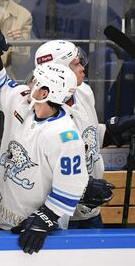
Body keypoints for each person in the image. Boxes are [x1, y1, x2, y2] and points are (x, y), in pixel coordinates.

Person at [0, 19, 89, 254]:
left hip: (40, 231)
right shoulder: (21, 99)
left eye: (36, 82)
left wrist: (44, 218)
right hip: (0, 218)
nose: (29, 84)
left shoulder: (65, 136)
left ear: (47, 92)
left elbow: (72, 185)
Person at [34, 40, 114, 228]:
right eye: (76, 64)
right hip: (57, 214)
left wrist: (113, 131)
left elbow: (88, 136)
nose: (83, 68)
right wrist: (83, 187)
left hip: (90, 211)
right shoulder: (41, 110)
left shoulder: (84, 92)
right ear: (60, 71)